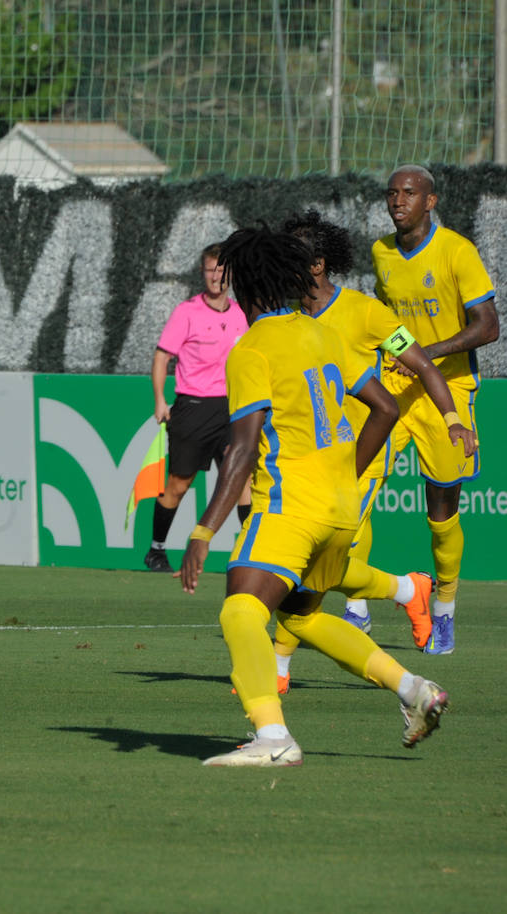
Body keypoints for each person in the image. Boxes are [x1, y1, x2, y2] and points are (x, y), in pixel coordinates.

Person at [178, 225, 448, 768]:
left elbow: (243, 447)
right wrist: (345, 473)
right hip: (342, 507)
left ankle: (272, 738)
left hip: (290, 507)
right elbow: (386, 409)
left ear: (247, 285)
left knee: (241, 612)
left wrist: (204, 529)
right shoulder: (323, 333)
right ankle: (414, 688)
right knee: (300, 617)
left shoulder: (251, 349)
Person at [265, 211, 477, 690]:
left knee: (313, 557)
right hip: (307, 455)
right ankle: (408, 590)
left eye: (292, 259)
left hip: (362, 451)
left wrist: (452, 419)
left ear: (318, 264)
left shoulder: (366, 312)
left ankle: (278, 665)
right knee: (320, 559)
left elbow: (423, 365)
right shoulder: (286, 317)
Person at [372, 165, 499, 654]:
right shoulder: (381, 252)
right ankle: (357, 606)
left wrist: (429, 355)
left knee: (441, 507)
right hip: (394, 387)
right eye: (392, 193)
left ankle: (443, 609)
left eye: (409, 193)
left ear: (431, 201)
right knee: (356, 484)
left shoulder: (457, 251)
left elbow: (487, 326)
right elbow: (384, 320)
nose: (398, 200)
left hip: (450, 385)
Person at [144, 244, 251, 573]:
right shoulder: (187, 312)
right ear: (202, 273)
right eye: (211, 270)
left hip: (231, 409)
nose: (216, 276)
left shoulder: (241, 314)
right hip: (192, 407)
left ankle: (252, 553)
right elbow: (162, 356)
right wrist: (160, 400)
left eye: (222, 270)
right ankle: (157, 550)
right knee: (179, 483)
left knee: (242, 480)